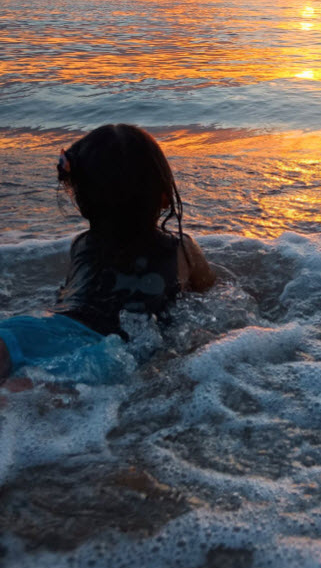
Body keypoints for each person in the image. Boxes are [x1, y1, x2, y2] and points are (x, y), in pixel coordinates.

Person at [0, 124, 215, 383]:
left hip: (40, 331)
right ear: (164, 197)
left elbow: (67, 297)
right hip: (112, 353)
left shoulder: (80, 245)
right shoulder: (183, 249)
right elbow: (212, 294)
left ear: (81, 201)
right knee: (47, 390)